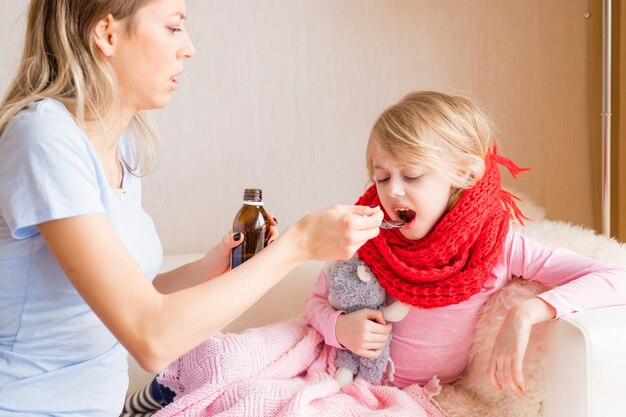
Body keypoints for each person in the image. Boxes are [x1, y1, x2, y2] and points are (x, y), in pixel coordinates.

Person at [0, 0, 383, 415]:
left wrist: (206, 270)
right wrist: (298, 246)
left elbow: (120, 301)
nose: (189, 48)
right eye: (173, 28)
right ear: (107, 34)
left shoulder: (120, 145)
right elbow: (151, 339)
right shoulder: (43, 138)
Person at [306, 90, 626, 394]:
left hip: (420, 395)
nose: (392, 192)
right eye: (383, 177)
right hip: (342, 375)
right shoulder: (368, 234)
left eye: (412, 175)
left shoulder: (495, 246)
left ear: (464, 175)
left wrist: (526, 312)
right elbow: (316, 302)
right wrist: (340, 328)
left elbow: (616, 277)